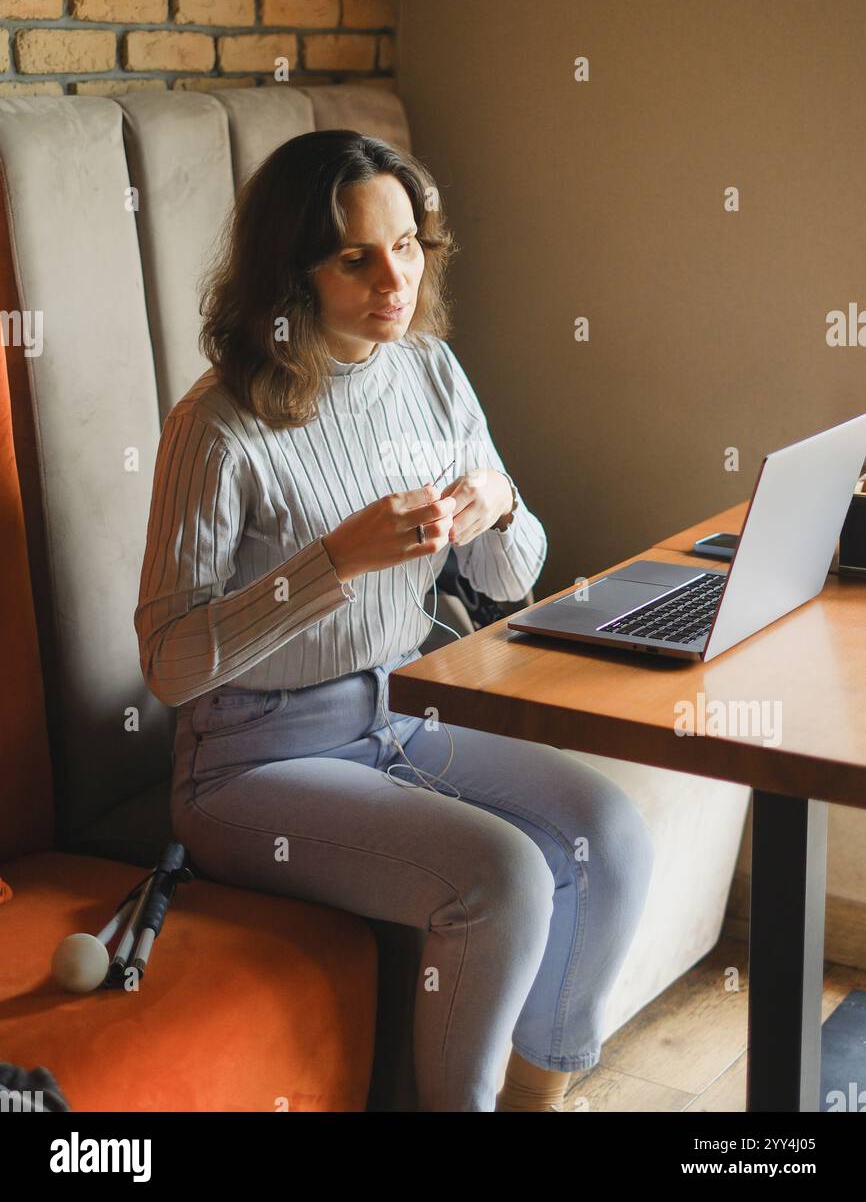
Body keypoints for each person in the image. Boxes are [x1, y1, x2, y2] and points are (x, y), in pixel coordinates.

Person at [134, 129, 654, 1113]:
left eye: (407, 244)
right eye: (354, 256)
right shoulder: (215, 425)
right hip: (250, 763)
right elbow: (166, 664)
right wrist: (333, 560)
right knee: (503, 881)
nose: (393, 278)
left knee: (607, 834)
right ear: (292, 271)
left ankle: (531, 1099)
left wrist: (499, 504)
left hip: (400, 712)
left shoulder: (428, 372)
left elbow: (505, 575)